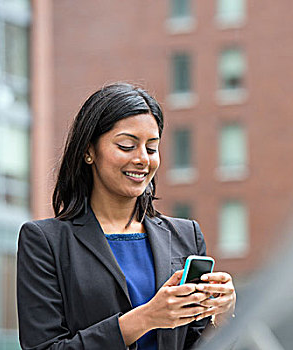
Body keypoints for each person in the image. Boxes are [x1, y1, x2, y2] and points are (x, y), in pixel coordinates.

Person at [16, 83, 236, 350]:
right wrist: (145, 318)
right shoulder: (45, 242)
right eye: (127, 146)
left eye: (152, 148)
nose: (143, 159)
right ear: (88, 151)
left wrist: (221, 316)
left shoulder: (185, 235)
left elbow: (195, 343)